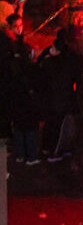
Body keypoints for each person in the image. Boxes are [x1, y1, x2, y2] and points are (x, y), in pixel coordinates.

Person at [38, 27, 83, 162]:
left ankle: (48, 149)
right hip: (63, 99)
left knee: (51, 125)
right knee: (58, 126)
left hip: (52, 99)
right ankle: (54, 151)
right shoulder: (71, 60)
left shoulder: (49, 62)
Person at [6, 14, 42, 165]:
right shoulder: (11, 49)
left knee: (19, 126)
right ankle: (30, 156)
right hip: (23, 96)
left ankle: (20, 155)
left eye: (21, 26)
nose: (20, 29)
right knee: (29, 127)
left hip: (16, 95)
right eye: (16, 26)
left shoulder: (16, 48)